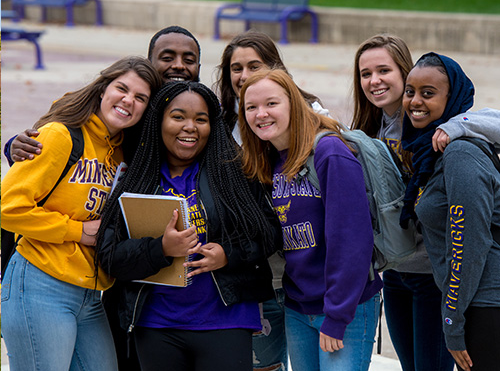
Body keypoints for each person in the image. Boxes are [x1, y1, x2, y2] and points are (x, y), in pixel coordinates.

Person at [95, 81, 282, 371]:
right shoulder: (139, 179)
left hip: (227, 320)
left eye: (201, 119)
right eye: (178, 117)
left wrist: (227, 255)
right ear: (159, 122)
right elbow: (110, 256)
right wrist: (160, 249)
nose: (190, 127)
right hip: (156, 324)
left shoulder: (234, 172)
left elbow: (269, 234)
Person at [1, 56, 162, 371]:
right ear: (103, 89)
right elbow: (7, 209)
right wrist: (79, 231)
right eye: (122, 88)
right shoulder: (61, 134)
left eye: (140, 97)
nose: (129, 100)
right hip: (40, 282)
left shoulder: (120, 153)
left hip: (90, 293)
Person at [239, 68, 383, 371]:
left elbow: (352, 240)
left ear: (293, 103)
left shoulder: (329, 152)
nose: (260, 114)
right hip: (297, 306)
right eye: (251, 107)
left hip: (345, 308)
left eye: (271, 104)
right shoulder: (270, 160)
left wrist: (337, 315)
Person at [214, 29, 327, 371]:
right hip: (252, 273)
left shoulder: (310, 118)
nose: (245, 75)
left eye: (254, 65)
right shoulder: (219, 124)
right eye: (236, 68)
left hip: (300, 275)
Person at [352, 34, 455, 371]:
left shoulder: (435, 123)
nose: (374, 80)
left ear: (405, 72)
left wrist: (462, 126)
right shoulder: (369, 130)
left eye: (384, 70)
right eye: (365, 74)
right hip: (394, 272)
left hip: (433, 277)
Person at [401, 52, 500, 371]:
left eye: (428, 93)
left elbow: (468, 247)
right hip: (479, 304)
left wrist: (453, 323)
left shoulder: (460, 155)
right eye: (410, 91)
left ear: (452, 97)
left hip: (486, 307)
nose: (415, 101)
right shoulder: (435, 151)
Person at [4, 25, 201, 164]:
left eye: (189, 60)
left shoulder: (207, 114)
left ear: (198, 68)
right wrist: (15, 146)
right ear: (150, 64)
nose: (178, 65)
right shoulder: (126, 110)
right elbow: (52, 137)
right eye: (167, 58)